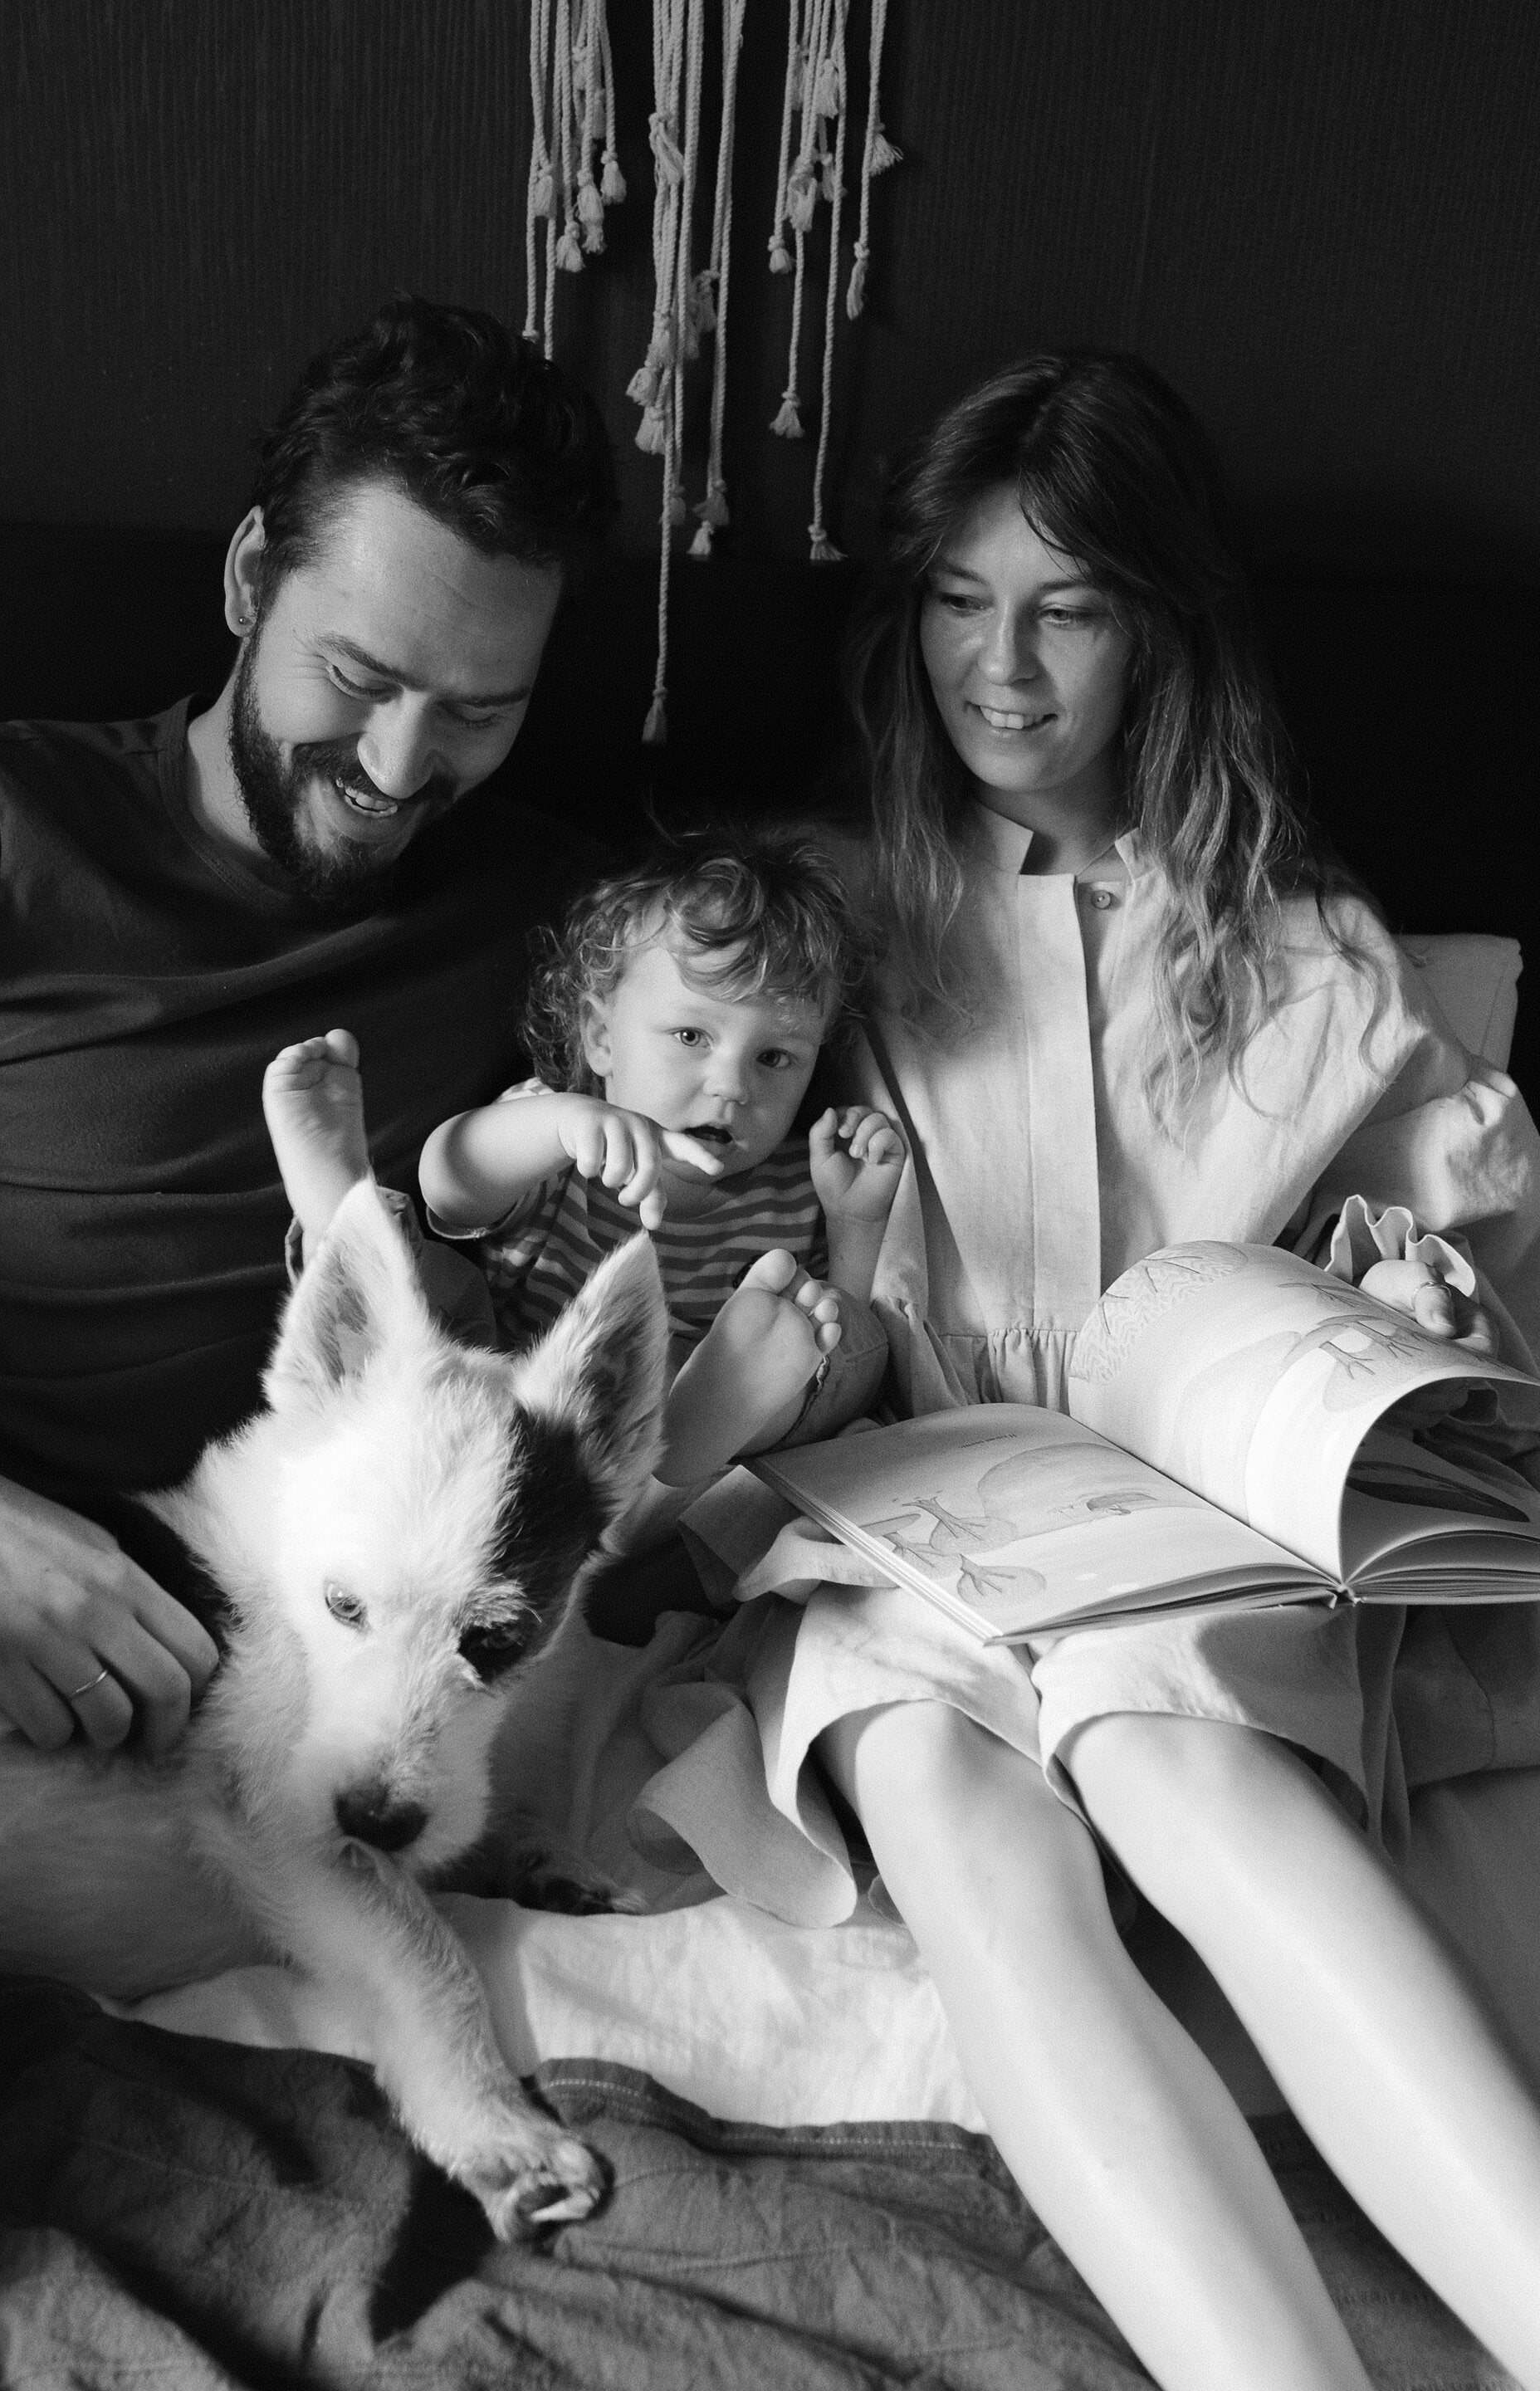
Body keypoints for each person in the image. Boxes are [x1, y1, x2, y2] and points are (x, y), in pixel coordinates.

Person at [635, 354, 1540, 2389]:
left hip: (1185, 1530)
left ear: (1160, 630)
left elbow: (1443, 1301)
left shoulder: (1313, 960)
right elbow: (639, 1174)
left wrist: (1420, 1301)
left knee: (1180, 1755)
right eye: (961, 603)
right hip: (896, 1516)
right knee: (951, 1808)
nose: (1004, 667)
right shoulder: (809, 925)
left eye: (1068, 609)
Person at [0, 295, 615, 1761]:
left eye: (478, 713)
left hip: (309, 1672)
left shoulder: (562, 923)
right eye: (360, 679)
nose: (400, 767)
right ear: (253, 577)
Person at [262, 829, 906, 1492]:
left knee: (831, 1343)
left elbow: (841, 1334)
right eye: (691, 1035)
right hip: (501, 1419)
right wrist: (565, 1126)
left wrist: (854, 1220)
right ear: (601, 1036)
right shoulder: (562, 1140)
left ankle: (690, 1425)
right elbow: (447, 1189)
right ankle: (342, 1209)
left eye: (774, 1058)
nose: (732, 1085)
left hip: (682, 1475)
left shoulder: (798, 1185)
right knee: (436, 1293)